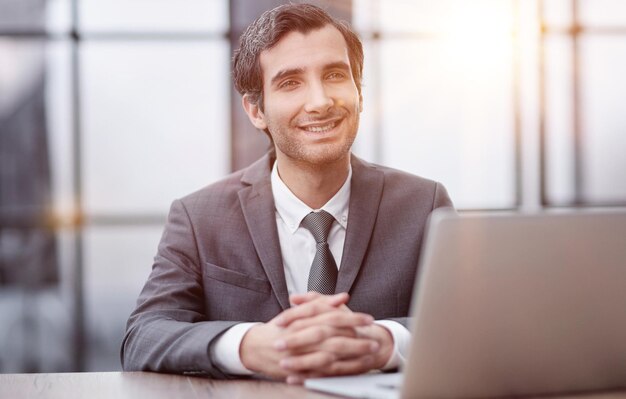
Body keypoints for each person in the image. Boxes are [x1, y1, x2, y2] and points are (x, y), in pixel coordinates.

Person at [121, 3, 453, 383]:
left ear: (359, 91)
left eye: (334, 75)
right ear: (256, 110)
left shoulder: (424, 204)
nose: (320, 101)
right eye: (290, 82)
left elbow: (472, 323)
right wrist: (248, 344)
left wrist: (384, 341)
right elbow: (143, 337)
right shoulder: (198, 217)